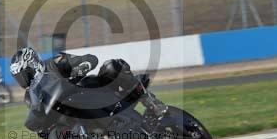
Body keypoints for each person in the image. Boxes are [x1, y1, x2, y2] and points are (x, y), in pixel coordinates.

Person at [9, 47, 167, 119]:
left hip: (90, 89)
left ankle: (151, 103)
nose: (22, 81)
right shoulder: (29, 97)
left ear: (32, 65)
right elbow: (40, 115)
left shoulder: (55, 63)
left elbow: (90, 59)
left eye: (24, 74)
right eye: (18, 78)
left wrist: (81, 67)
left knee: (111, 67)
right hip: (71, 112)